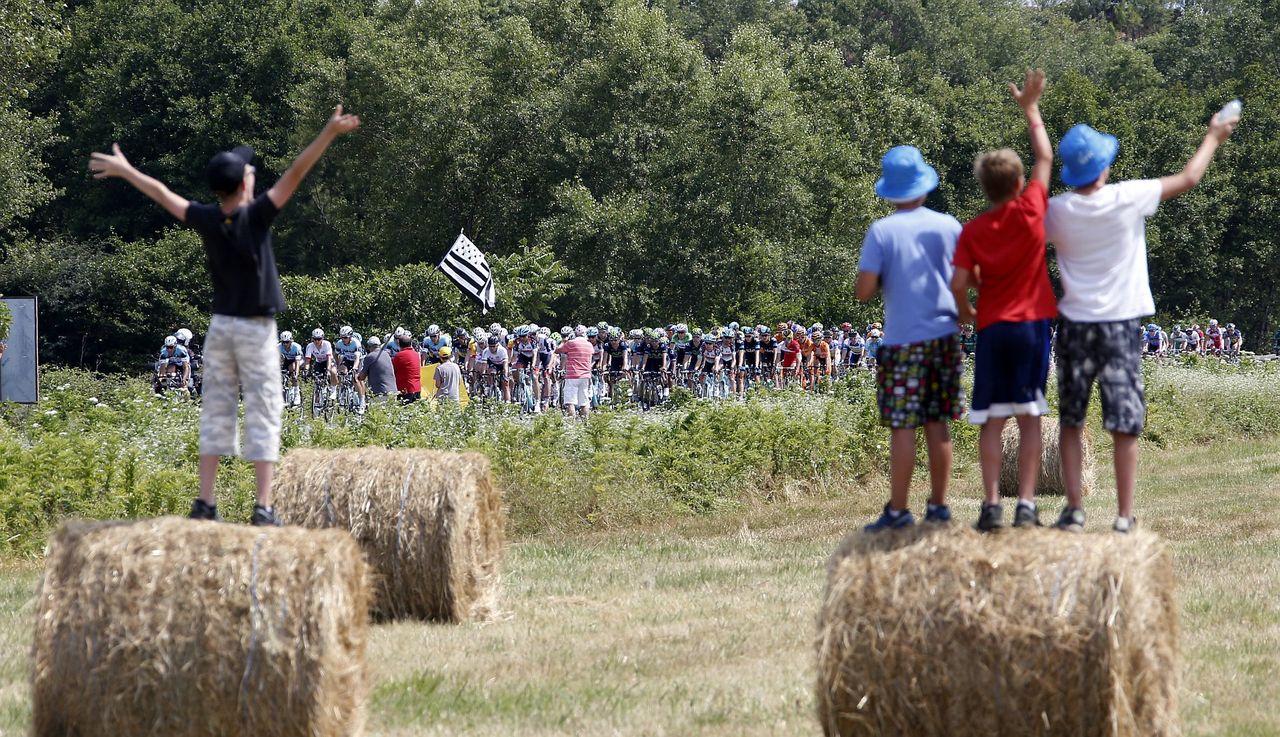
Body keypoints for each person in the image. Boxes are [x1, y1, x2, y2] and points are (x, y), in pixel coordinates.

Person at [89, 105, 360, 526]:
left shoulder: (207, 217)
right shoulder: (256, 216)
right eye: (250, 172)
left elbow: (162, 193)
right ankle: (264, 506)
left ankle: (206, 503)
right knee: (264, 407)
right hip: (255, 328)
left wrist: (126, 170)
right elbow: (297, 171)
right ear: (245, 183)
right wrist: (326, 133)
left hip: (219, 328)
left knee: (216, 407)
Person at [1045, 109, 1236, 533]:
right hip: (1118, 325)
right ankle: (1124, 515)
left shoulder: (1056, 210)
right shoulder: (1126, 196)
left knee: (1072, 420)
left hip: (1074, 325)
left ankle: (1074, 509)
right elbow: (1189, 178)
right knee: (1125, 423)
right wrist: (1214, 136)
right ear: (1104, 166)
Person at [951, 69, 1057, 531]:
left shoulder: (972, 230)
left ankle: (991, 504)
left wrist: (969, 312)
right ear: (1017, 184)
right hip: (1032, 325)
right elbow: (1046, 156)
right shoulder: (1033, 208)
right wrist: (1031, 109)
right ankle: (1027, 505)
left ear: (984, 188)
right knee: (1029, 417)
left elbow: (959, 282)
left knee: (991, 420)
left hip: (992, 327)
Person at [857, 145, 965, 531]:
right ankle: (938, 507)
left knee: (903, 426)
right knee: (938, 422)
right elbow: (963, 278)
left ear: (889, 192)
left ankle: (899, 512)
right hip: (943, 336)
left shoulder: (881, 231)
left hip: (901, 340)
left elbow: (864, 290)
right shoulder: (949, 225)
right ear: (924, 186)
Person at [557, 327, 595, 418]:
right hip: (585, 375)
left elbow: (557, 350)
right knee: (584, 402)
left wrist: (563, 341)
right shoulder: (589, 345)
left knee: (570, 402)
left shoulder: (571, 343)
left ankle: (571, 424)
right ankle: (585, 423)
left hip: (572, 375)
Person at [357, 334, 396, 401]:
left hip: (380, 393)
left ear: (369, 347)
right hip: (393, 391)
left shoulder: (370, 357)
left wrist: (357, 376)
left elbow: (362, 377)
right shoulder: (386, 354)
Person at [391, 330, 422, 403]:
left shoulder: (399, 356)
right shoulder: (416, 354)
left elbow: (392, 370)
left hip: (405, 389)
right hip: (417, 388)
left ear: (399, 344)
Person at [278, 331, 302, 407]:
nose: (285, 344)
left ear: (291, 341)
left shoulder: (296, 347)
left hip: (298, 360)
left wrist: (296, 374)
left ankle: (296, 393)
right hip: (287, 360)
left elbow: (297, 362)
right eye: (283, 342)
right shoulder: (278, 347)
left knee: (292, 370)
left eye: (287, 342)